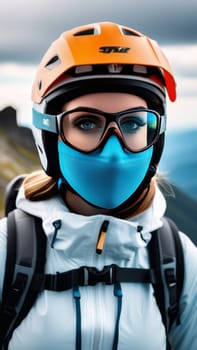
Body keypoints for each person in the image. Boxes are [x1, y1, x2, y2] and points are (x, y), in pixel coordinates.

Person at [0, 21, 197, 350]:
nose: (113, 151)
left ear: (155, 137)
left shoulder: (180, 262)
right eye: (87, 122)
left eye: (133, 122)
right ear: (49, 136)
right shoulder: (7, 252)